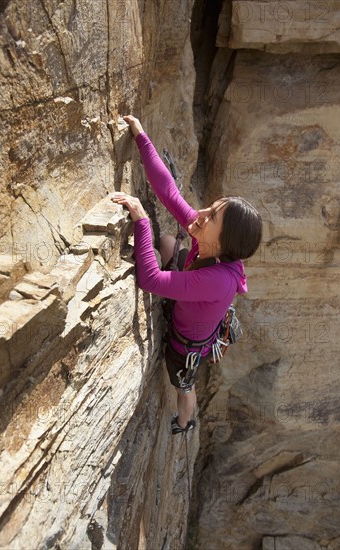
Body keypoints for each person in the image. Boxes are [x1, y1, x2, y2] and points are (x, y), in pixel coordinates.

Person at [112, 115, 262, 435]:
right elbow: (168, 192)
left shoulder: (218, 278)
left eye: (211, 216)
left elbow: (149, 281)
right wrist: (141, 137)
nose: (201, 213)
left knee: (183, 384)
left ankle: (185, 421)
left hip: (187, 344)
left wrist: (140, 220)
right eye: (211, 207)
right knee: (167, 242)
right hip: (191, 299)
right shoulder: (209, 240)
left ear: (221, 243)